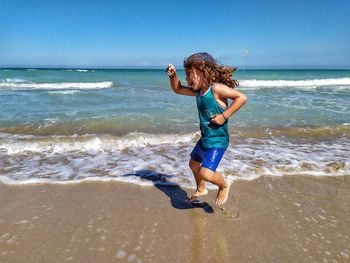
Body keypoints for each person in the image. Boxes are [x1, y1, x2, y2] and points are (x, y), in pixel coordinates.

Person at [166, 52, 247, 205]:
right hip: (205, 139)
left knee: (206, 173)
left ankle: (224, 185)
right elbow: (177, 89)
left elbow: (241, 98)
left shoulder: (216, 89)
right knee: (193, 164)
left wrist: (224, 116)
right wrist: (173, 76)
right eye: (186, 74)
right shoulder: (198, 92)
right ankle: (201, 188)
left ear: (203, 71)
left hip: (218, 140)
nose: (187, 78)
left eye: (190, 73)